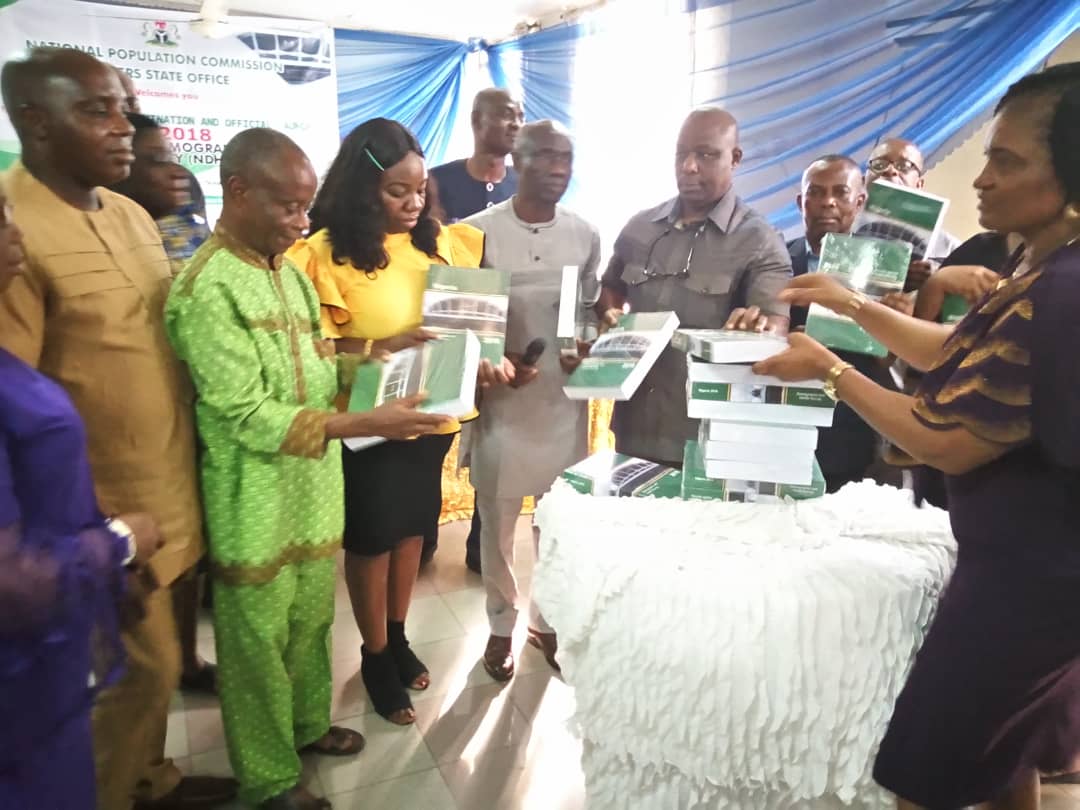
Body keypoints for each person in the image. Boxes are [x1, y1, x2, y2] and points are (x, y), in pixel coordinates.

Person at [754, 62, 1080, 810]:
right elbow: (956, 349)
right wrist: (853, 306)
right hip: (1025, 561)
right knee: (1005, 756)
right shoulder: (1038, 264)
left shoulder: (1062, 292)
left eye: (1007, 162)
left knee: (924, 771)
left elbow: (944, 439)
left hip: (1032, 582)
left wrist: (828, 368)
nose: (983, 179)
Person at [166, 128, 453, 810]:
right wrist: (366, 423)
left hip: (314, 489)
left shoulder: (288, 273)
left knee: (311, 625)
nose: (301, 223)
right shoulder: (206, 289)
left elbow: (319, 366)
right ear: (238, 192)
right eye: (289, 207)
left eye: (305, 207)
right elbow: (245, 413)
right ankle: (269, 781)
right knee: (256, 646)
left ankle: (305, 728)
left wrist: (381, 350)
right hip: (254, 498)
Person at [0, 48, 236, 810]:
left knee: (152, 676)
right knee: (138, 676)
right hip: (98, 514)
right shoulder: (12, 229)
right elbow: (14, 409)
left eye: (124, 110)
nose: (122, 127)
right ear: (35, 123)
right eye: (95, 111)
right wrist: (96, 533)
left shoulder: (133, 213)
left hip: (171, 485)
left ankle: (150, 779)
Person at [288, 118, 513, 726]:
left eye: (419, 190)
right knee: (372, 539)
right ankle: (374, 653)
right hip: (366, 424)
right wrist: (379, 345)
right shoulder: (321, 255)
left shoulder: (441, 244)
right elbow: (309, 351)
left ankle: (398, 633)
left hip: (429, 419)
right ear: (362, 189)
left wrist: (487, 356)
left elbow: (471, 325)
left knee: (413, 530)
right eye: (397, 192)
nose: (414, 203)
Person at [0, 186, 162, 809]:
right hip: (20, 670)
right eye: (0, 221)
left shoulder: (132, 218)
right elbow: (10, 583)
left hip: (54, 638)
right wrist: (118, 544)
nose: (17, 231)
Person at [464, 120, 600, 681]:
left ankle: (547, 621)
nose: (557, 168)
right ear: (516, 161)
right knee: (496, 524)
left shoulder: (585, 234)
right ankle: (501, 625)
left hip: (560, 405)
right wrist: (492, 360)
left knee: (557, 521)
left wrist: (585, 346)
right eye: (544, 156)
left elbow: (588, 311)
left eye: (565, 157)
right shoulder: (475, 233)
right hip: (501, 404)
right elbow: (460, 322)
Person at [596, 107, 793, 466]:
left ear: (735, 158)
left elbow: (775, 328)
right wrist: (609, 313)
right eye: (681, 154)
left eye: (705, 155)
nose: (689, 166)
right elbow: (609, 288)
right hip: (633, 427)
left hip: (708, 438)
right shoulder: (640, 228)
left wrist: (757, 330)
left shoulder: (760, 241)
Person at [113, 73, 216, 694]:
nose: (175, 171)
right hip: (130, 432)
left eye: (173, 157)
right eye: (156, 162)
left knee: (189, 549)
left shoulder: (185, 227)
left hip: (196, 408)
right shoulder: (107, 233)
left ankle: (186, 662)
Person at [430, 87, 524, 573]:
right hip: (447, 328)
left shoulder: (524, 185)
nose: (514, 124)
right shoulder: (439, 181)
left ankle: (479, 548)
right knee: (435, 437)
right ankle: (421, 536)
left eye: (519, 117)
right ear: (476, 120)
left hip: (505, 337)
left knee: (496, 442)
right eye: (505, 116)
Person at [788, 154, 900, 491]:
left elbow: (886, 359)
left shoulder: (884, 269)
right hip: (782, 422)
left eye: (840, 192)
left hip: (849, 429)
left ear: (860, 201)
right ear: (801, 202)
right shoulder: (774, 259)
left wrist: (891, 322)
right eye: (816, 192)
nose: (828, 202)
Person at [863, 137, 961, 290]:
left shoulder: (950, 249)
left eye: (904, 166)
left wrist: (936, 280)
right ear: (864, 180)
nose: (890, 170)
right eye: (879, 164)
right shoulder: (837, 230)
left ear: (919, 184)